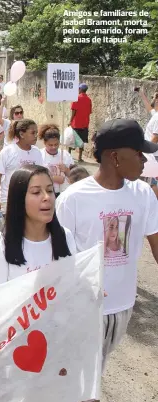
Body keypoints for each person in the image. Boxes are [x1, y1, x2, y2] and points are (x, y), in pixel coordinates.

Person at [56, 119, 158, 374]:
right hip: (84, 308)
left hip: (123, 306)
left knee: (97, 371)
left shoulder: (143, 194)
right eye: (138, 153)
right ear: (114, 157)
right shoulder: (73, 198)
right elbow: (58, 259)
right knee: (82, 380)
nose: (144, 160)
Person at [0, 165, 76, 287]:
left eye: (49, 190)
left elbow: (72, 288)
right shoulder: (0, 245)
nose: (47, 197)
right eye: (36, 192)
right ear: (19, 199)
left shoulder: (65, 237)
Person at [0, 119, 43, 214]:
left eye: (36, 132)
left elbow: (40, 175)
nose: (36, 136)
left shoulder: (37, 152)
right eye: (33, 133)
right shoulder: (7, 152)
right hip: (9, 199)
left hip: (31, 200)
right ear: (22, 134)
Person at [38, 123, 73, 197]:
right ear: (45, 143)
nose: (54, 147)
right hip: (46, 194)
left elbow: (74, 176)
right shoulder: (39, 155)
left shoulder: (65, 154)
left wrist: (66, 170)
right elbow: (35, 176)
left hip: (63, 192)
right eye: (50, 145)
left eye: (56, 144)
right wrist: (54, 178)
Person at [69, 83, 93, 162]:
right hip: (85, 124)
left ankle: (69, 155)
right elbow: (89, 112)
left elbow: (73, 111)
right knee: (82, 141)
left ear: (79, 89)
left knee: (71, 140)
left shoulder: (76, 98)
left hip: (76, 123)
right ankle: (79, 157)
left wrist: (70, 121)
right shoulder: (89, 100)